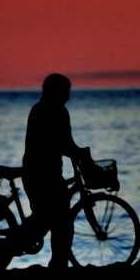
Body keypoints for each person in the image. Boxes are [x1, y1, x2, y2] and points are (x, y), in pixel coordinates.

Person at [23, 73, 89, 269]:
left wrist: (77, 153)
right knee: (59, 221)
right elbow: (62, 145)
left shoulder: (45, 109)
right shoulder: (51, 112)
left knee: (50, 220)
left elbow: (66, 144)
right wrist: (81, 156)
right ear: (56, 92)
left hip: (44, 175)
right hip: (42, 176)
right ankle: (58, 263)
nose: (68, 97)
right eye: (65, 92)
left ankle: (58, 262)